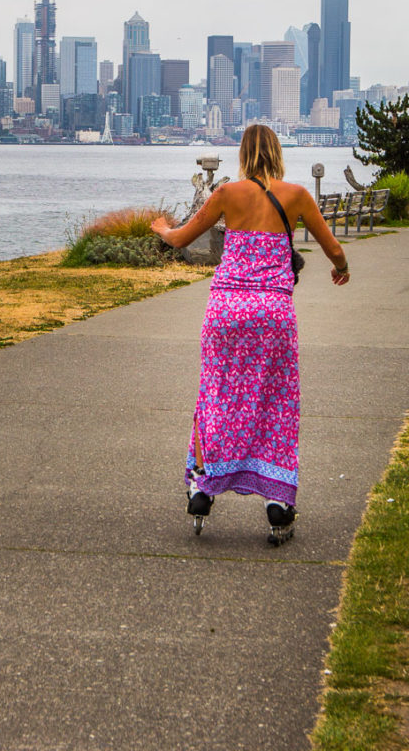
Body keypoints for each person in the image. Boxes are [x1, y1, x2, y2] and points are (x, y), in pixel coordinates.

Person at [151, 124, 350, 544]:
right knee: (275, 400)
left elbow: (182, 238)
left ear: (243, 153)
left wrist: (162, 229)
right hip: (273, 313)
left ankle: (203, 486)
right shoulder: (296, 195)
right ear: (277, 151)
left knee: (216, 393)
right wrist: (341, 267)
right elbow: (332, 247)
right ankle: (276, 503)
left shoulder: (226, 194)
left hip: (226, 311)